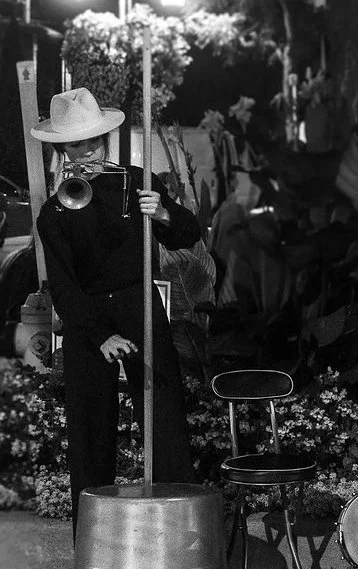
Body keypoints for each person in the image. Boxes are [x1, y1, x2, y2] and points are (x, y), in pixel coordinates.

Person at [31, 88, 198, 541]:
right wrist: (99, 334)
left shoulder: (139, 182)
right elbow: (63, 286)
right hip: (87, 320)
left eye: (93, 142)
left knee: (164, 415)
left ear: (104, 140)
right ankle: (93, 544)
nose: (86, 151)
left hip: (139, 303)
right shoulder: (54, 211)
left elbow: (187, 234)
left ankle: (177, 536)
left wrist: (162, 213)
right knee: (89, 426)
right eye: (75, 145)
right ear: (62, 151)